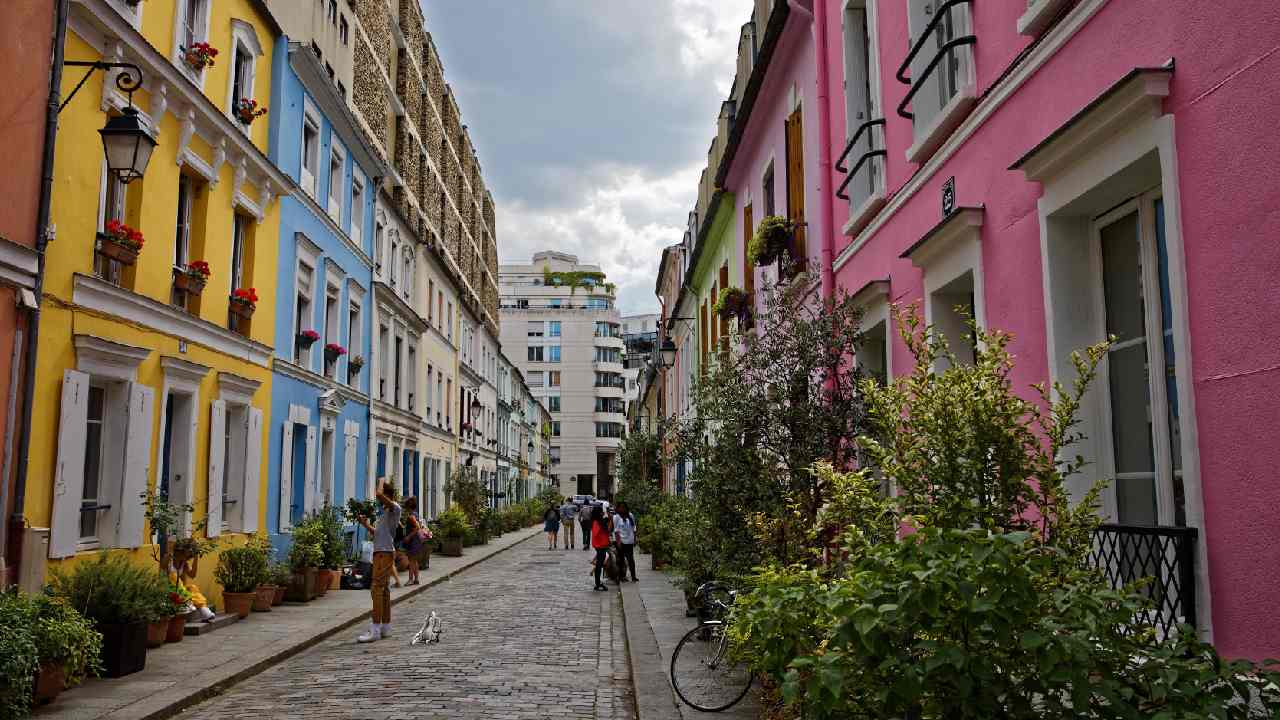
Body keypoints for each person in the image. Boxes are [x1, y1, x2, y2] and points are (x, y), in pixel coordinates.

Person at [354, 480, 401, 643]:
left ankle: (375, 629)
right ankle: (385, 627)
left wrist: (380, 480)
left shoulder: (395, 508)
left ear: (387, 495)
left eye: (381, 496)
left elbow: (379, 494)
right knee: (384, 591)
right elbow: (379, 534)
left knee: (376, 589)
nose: (378, 500)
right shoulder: (385, 514)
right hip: (382, 552)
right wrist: (365, 525)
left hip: (384, 554)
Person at [400, 496, 427, 585]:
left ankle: (410, 579)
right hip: (416, 541)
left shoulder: (411, 516)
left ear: (408, 507)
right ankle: (416, 579)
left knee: (411, 561)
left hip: (413, 541)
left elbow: (417, 527)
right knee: (414, 561)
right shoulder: (416, 514)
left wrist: (409, 537)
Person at [589, 504, 613, 591]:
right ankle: (598, 583)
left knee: (600, 564)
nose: (602, 513)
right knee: (599, 564)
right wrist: (605, 532)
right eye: (601, 512)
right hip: (600, 545)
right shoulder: (597, 522)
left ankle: (598, 582)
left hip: (601, 545)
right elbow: (597, 534)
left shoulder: (598, 521)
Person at [613, 501, 638, 582]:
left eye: (624, 507)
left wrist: (634, 539)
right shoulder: (616, 517)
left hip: (629, 541)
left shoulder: (630, 515)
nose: (622, 509)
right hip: (621, 542)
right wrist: (618, 542)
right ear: (618, 508)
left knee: (631, 559)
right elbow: (616, 531)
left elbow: (634, 528)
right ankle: (621, 576)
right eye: (621, 507)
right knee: (620, 560)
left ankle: (633, 576)